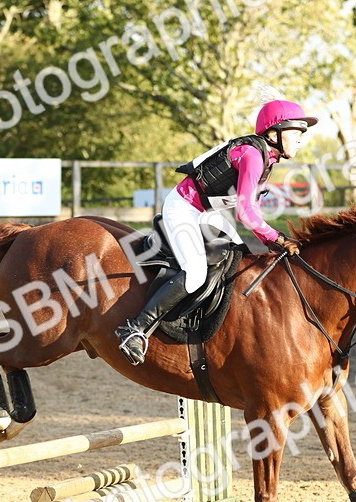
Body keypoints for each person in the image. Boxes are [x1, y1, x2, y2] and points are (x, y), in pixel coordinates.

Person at [115, 99, 318, 366]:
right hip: (183, 208)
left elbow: (251, 208)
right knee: (196, 273)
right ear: (274, 133)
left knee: (238, 254)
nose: (300, 140)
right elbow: (245, 213)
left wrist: (270, 241)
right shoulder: (253, 156)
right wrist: (277, 239)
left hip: (205, 212)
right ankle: (136, 328)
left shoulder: (267, 157)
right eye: (296, 133)